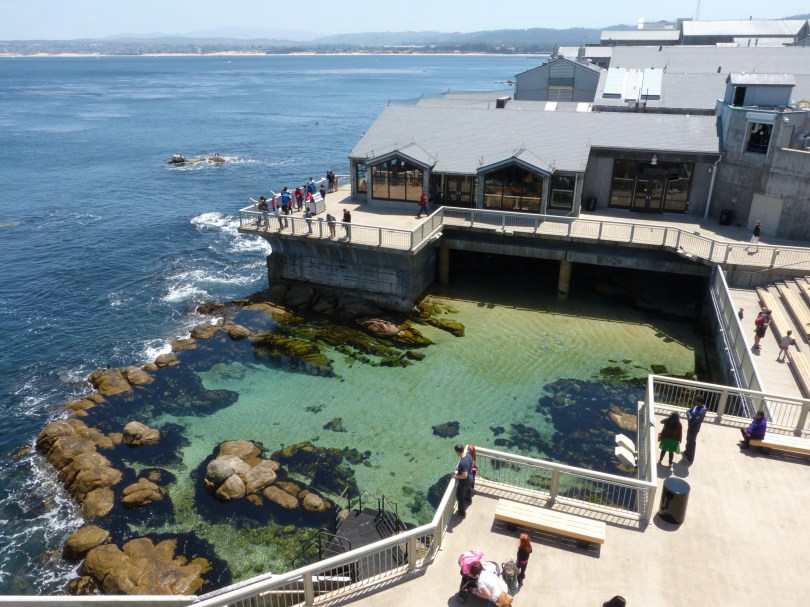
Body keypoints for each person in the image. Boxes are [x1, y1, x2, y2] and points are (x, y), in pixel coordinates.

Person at [683, 395, 708, 463]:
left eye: (695, 401)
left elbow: (694, 421)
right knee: (688, 439)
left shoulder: (701, 412)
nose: (694, 402)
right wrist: (690, 416)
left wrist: (690, 418)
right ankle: (686, 452)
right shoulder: (695, 406)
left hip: (694, 429)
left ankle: (690, 459)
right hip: (690, 427)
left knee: (691, 443)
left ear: (699, 402)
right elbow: (688, 411)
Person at [451, 443, 473, 518]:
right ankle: (469, 500)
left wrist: (455, 476)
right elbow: (472, 464)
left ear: (457, 452)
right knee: (468, 491)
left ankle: (462, 512)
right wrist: (460, 469)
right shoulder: (469, 455)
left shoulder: (462, 463)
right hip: (471, 478)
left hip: (464, 482)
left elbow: (464, 476)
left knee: (460, 497)